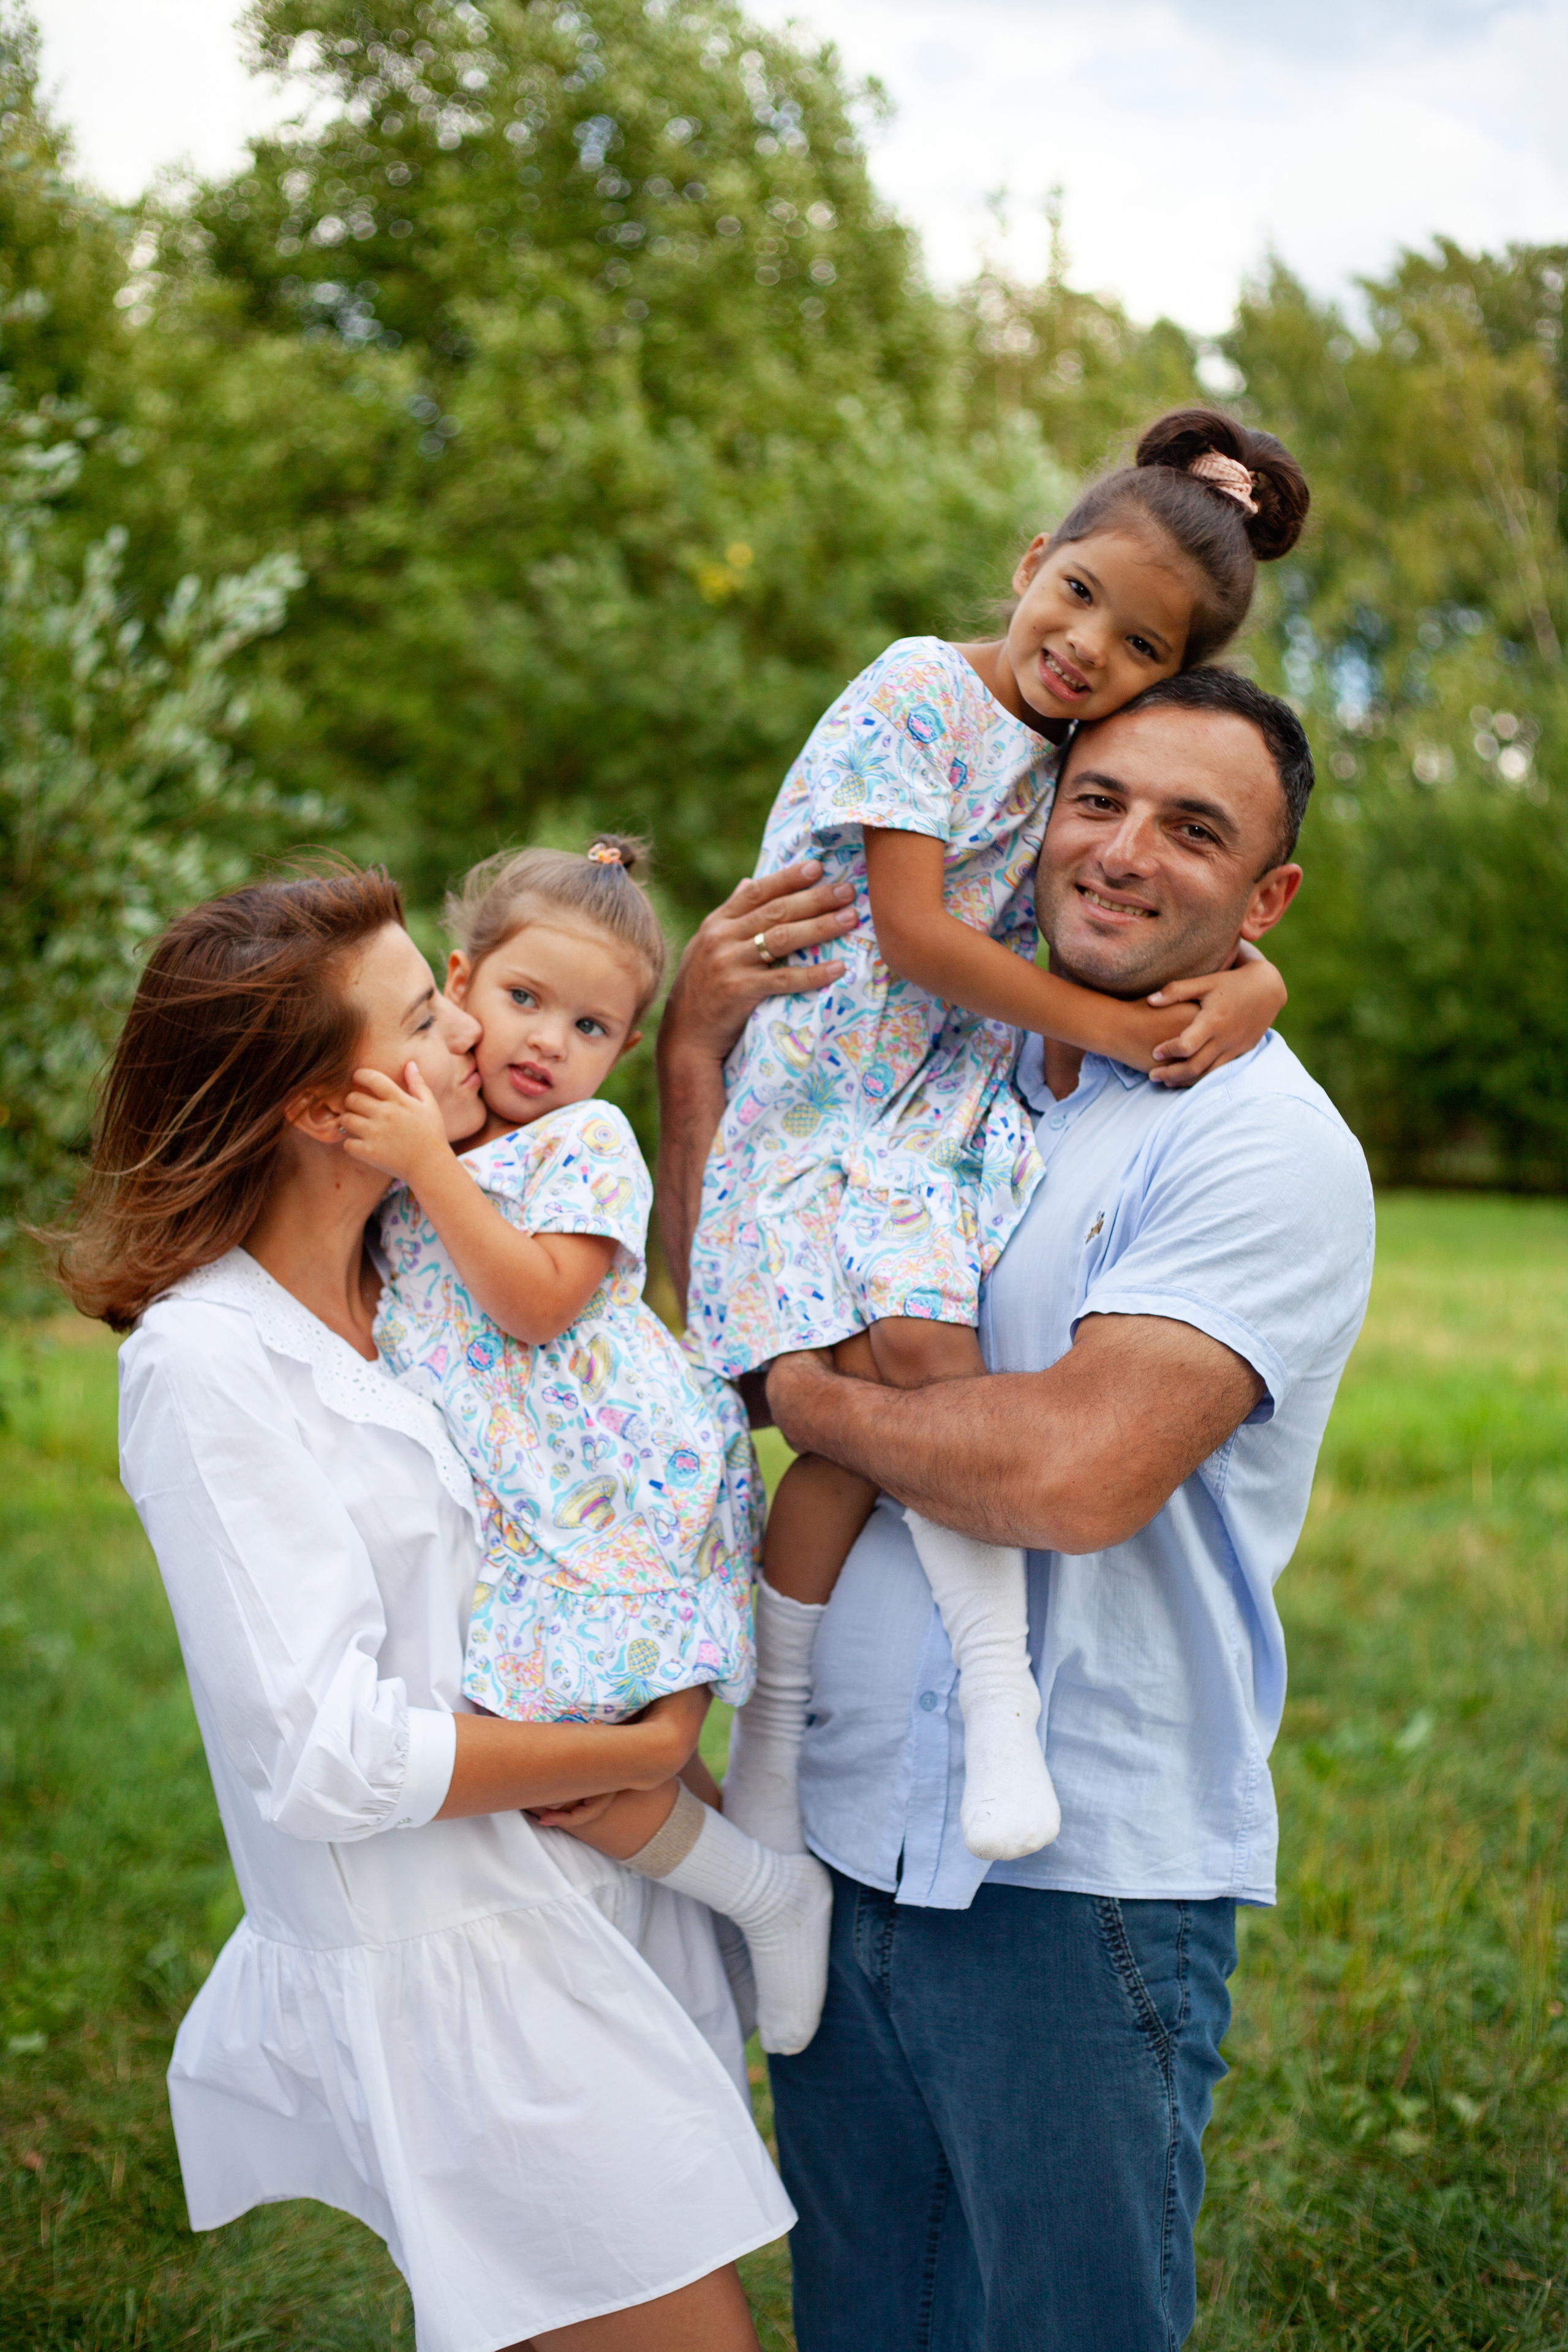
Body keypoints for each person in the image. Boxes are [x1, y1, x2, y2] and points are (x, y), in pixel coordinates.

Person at [657, 667, 1376, 2351]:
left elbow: (1070, 1475)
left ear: (1266, 902)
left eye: (1194, 831)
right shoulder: (948, 1060)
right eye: (1100, 800)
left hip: (1081, 1878)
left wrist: (805, 1398)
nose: (1123, 851)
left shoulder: (1257, 1146)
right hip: (836, 1837)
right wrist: (696, 1047)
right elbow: (728, 1281)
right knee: (872, 2320)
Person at [58, 867, 794, 2352]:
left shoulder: (410, 1297)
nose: (472, 1037)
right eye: (428, 1019)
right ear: (322, 1105)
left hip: (578, 1912)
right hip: (465, 1968)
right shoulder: (209, 1369)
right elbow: (322, 1757)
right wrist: (638, 1761)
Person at [686, 408, 1310, 1867]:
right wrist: (1114, 1032)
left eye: (1142, 645)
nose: (1089, 644)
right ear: (1032, 562)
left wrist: (1256, 982)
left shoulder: (1068, 765)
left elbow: (1162, 912)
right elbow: (905, 934)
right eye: (1077, 591)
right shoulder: (918, 687)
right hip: (822, 1101)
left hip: (927, 1115)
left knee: (914, 1385)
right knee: (845, 1394)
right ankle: (778, 1734)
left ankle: (975, 1705)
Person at [339, 835, 831, 2055]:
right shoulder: (436, 1141)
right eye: (522, 1000)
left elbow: (536, 1301)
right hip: (534, 1504)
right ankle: (743, 1882)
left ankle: (762, 1893)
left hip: (618, 1486)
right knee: (595, 1747)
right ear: (456, 982)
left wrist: (420, 1169)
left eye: (591, 1028)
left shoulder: (577, 1146)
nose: (547, 1042)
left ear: (621, 1049)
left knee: (581, 1764)